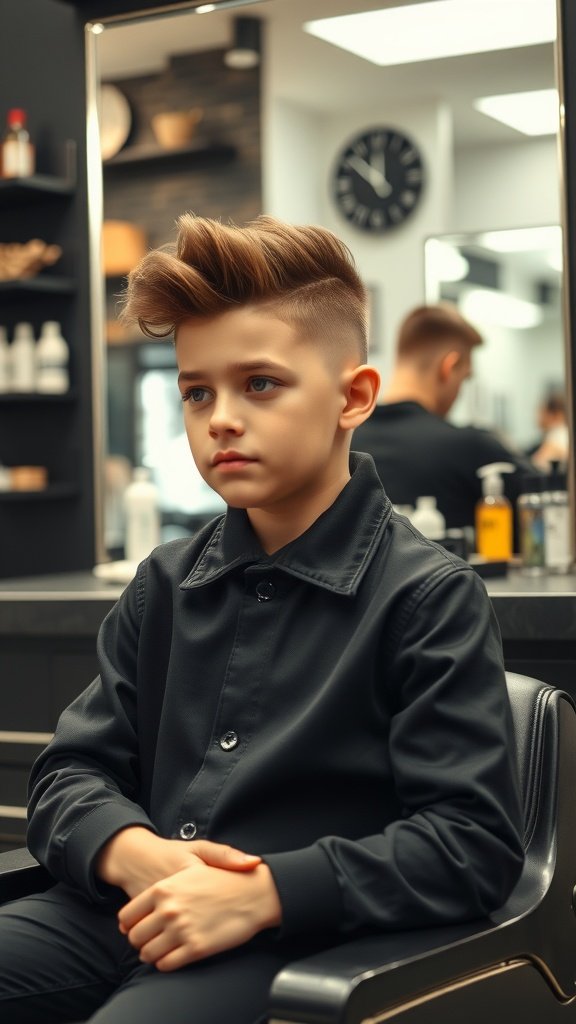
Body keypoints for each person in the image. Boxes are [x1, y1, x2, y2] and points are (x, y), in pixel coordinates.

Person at [0, 216, 523, 1024]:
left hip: (296, 943)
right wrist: (133, 854)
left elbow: (469, 846)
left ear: (353, 398)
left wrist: (266, 893)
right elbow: (69, 774)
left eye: (262, 384)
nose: (222, 420)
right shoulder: (164, 584)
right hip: (122, 910)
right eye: (198, 391)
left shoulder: (427, 597)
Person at [354, 303, 536, 530]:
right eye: (465, 377)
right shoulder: (472, 448)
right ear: (449, 367)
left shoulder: (347, 442)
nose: (460, 390)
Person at [528, 390, 570, 470]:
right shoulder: (559, 435)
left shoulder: (557, 437)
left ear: (557, 414)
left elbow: (536, 466)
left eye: (542, 411)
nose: (538, 417)